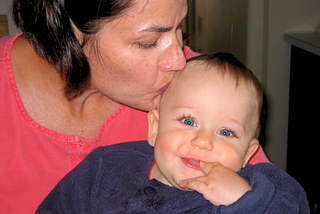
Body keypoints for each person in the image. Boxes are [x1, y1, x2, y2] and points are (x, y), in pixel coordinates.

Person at [0, 0, 268, 212]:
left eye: (179, 29)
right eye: (148, 42)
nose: (178, 61)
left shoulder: (203, 90)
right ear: (70, 33)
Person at [36, 53, 309, 214]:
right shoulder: (107, 168)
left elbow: (295, 204)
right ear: (154, 128)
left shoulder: (253, 187)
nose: (203, 141)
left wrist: (244, 199)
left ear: (248, 153)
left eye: (226, 132)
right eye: (188, 121)